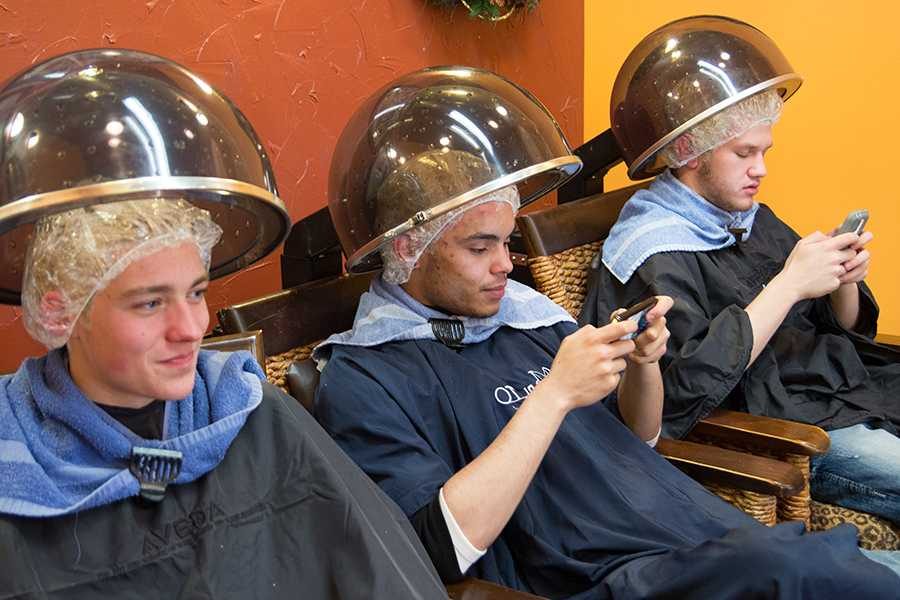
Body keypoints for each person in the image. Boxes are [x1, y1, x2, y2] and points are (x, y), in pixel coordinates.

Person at [313, 149, 900, 598]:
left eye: (508, 241)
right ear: (409, 248)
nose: (505, 266)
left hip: (697, 532)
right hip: (608, 574)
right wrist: (550, 397)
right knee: (808, 573)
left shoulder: (525, 318)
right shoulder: (366, 375)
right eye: (478, 248)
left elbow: (639, 437)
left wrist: (643, 367)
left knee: (842, 568)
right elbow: (439, 546)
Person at [0, 198, 445, 598]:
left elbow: (380, 571)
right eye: (151, 304)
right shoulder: (14, 458)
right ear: (63, 313)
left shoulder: (247, 410)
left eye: (196, 293)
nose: (191, 328)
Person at [581, 17, 900, 525]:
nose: (761, 169)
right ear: (688, 152)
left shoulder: (747, 216)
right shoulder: (653, 254)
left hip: (847, 391)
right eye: (744, 153)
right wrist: (788, 284)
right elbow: (682, 394)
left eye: (764, 151)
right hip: (790, 432)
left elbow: (834, 326)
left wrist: (846, 281)